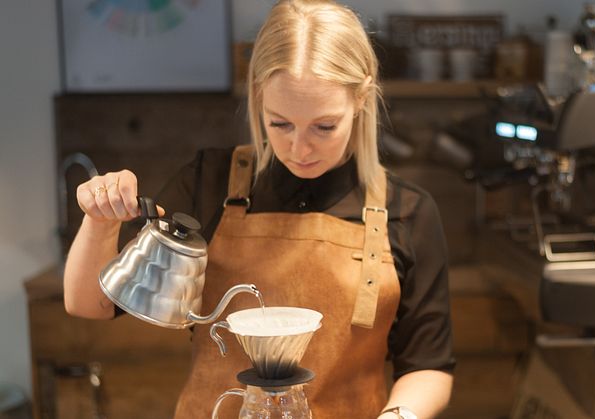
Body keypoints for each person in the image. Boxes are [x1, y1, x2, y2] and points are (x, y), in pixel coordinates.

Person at [63, 0, 455, 418]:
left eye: (324, 126)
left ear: (361, 97)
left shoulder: (407, 212)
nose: (299, 149)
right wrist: (100, 221)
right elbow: (91, 304)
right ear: (257, 96)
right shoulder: (208, 183)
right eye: (280, 123)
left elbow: (429, 367)